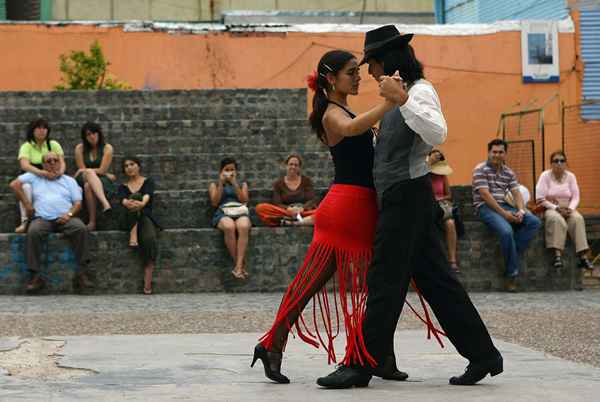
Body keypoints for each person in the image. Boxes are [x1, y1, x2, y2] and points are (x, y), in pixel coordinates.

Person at [317, 25, 502, 389]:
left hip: (407, 197)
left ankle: (360, 364)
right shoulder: (395, 94)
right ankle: (483, 355)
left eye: (371, 64)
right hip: (405, 199)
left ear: (387, 60)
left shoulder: (419, 91)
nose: (369, 73)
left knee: (384, 280)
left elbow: (437, 133)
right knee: (438, 283)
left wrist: (402, 100)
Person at [252, 49, 409, 385]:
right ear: (330, 78)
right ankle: (273, 344)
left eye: (357, 71)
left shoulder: (341, 108)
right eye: (351, 72)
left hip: (357, 208)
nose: (358, 77)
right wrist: (390, 103)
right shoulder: (331, 114)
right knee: (324, 287)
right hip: (347, 210)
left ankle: (377, 355)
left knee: (378, 287)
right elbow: (352, 128)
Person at [9, 152, 93, 292]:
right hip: (42, 218)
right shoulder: (36, 177)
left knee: (80, 228)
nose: (53, 163)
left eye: (55, 160)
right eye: (49, 161)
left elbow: (78, 203)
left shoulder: (68, 180)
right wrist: (27, 204)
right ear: (43, 164)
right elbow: (14, 184)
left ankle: (82, 273)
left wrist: (69, 214)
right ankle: (35, 276)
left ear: (60, 162)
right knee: (33, 231)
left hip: (66, 218)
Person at [473, 139, 542, 292]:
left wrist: (521, 210)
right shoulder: (480, 169)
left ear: (505, 154)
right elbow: (485, 196)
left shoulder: (508, 172)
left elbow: (516, 193)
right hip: (485, 207)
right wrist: (505, 215)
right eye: (494, 152)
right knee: (506, 231)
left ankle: (511, 254)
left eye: (501, 152)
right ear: (489, 153)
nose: (497, 155)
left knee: (534, 222)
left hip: (504, 205)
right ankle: (511, 275)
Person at [536, 150, 593, 270]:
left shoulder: (571, 176)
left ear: (566, 163)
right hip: (551, 205)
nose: (559, 163)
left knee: (578, 219)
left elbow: (576, 196)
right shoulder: (545, 176)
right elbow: (540, 198)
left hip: (568, 206)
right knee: (556, 219)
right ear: (551, 164)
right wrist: (556, 208)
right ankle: (557, 256)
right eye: (556, 161)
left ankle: (583, 257)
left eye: (562, 161)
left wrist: (571, 209)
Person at [117, 157, 161, 295]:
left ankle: (147, 281)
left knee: (150, 239)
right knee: (134, 198)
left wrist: (142, 204)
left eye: (132, 164)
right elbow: (123, 201)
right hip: (127, 218)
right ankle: (133, 232)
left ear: (138, 166)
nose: (129, 167)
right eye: (126, 166)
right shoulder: (122, 187)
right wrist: (131, 203)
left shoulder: (148, 182)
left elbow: (147, 195)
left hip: (145, 217)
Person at [15, 118, 66, 233]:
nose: (42, 130)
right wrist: (41, 173)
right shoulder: (26, 146)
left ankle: (62, 217)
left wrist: (60, 173)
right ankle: (25, 221)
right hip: (33, 177)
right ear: (32, 130)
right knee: (25, 187)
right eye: (38, 128)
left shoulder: (53, 144)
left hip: (53, 177)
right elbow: (24, 165)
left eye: (44, 128)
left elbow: (62, 162)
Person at [209, 157, 252, 279]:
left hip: (239, 211)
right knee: (229, 227)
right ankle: (239, 266)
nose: (229, 172)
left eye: (232, 169)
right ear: (221, 171)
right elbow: (214, 202)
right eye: (226, 169)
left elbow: (244, 200)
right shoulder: (214, 185)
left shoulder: (242, 184)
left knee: (243, 226)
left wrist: (234, 183)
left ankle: (238, 267)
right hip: (223, 212)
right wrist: (221, 184)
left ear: (236, 171)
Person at [256, 153, 319, 226]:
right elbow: (277, 203)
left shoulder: (306, 181)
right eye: (291, 164)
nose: (293, 167)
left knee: (322, 212)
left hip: (303, 212)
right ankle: (295, 220)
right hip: (286, 212)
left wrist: (302, 208)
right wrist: (288, 209)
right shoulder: (278, 183)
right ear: (286, 166)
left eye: (296, 165)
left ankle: (291, 222)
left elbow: (311, 200)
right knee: (260, 208)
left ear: (299, 168)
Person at [74, 122, 116, 231]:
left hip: (101, 180)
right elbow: (82, 169)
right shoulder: (80, 148)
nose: (92, 136)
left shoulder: (107, 148)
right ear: (85, 137)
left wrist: (99, 172)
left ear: (99, 134)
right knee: (88, 174)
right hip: (83, 178)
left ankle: (92, 222)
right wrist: (93, 172)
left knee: (88, 186)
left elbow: (102, 170)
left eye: (94, 133)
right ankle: (105, 203)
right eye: (88, 134)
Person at [428, 149, 460, 272]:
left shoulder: (442, 176)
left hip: (442, 207)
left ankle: (452, 260)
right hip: (429, 208)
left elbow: (449, 195)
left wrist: (439, 198)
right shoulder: (424, 176)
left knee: (450, 223)